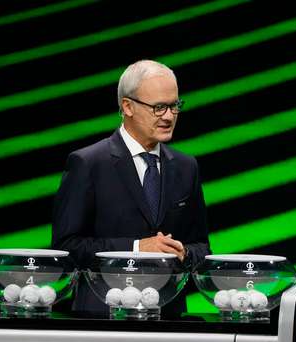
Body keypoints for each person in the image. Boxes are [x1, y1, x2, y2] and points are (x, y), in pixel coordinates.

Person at [51, 59, 210, 314]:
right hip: (103, 318)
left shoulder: (185, 167)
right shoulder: (88, 164)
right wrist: (136, 248)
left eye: (174, 106)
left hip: (169, 318)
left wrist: (183, 253)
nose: (169, 116)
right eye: (159, 107)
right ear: (128, 106)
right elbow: (66, 248)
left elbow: (202, 248)